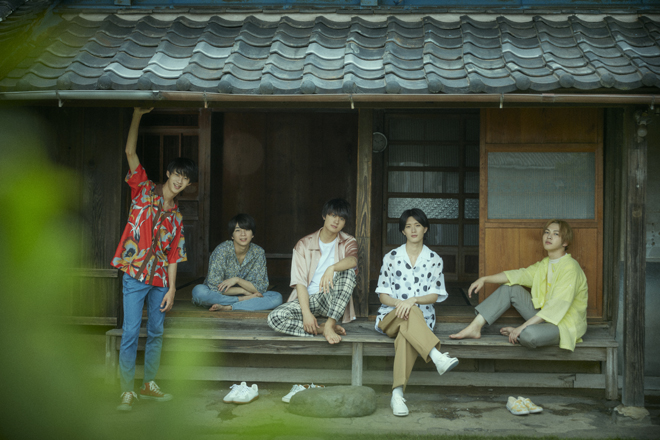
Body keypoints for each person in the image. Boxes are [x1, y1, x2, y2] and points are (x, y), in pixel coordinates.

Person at [111, 107, 198, 411]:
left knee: (157, 332)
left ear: (188, 185)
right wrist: (137, 114)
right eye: (178, 174)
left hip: (160, 280)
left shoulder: (177, 216)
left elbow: (174, 255)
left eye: (186, 179)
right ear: (169, 173)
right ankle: (126, 390)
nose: (180, 180)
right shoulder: (143, 190)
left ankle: (148, 384)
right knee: (131, 332)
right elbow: (129, 151)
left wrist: (172, 289)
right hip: (135, 274)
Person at [449, 219, 588, 353]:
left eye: (556, 234)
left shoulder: (570, 268)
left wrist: (521, 328)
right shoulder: (544, 264)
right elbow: (518, 275)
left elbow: (554, 308)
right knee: (510, 288)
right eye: (547, 232)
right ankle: (475, 327)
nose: (549, 236)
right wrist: (484, 279)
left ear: (565, 242)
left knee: (529, 335)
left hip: (563, 325)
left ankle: (523, 332)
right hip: (545, 319)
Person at [375, 209, 458, 417]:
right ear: (403, 231)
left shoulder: (434, 259)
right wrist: (401, 303)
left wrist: (413, 300)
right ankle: (435, 355)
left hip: (421, 322)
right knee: (407, 313)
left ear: (425, 229)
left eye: (418, 225)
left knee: (406, 335)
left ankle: (397, 395)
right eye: (408, 226)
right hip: (390, 317)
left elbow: (435, 295)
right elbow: (383, 295)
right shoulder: (391, 257)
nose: (413, 230)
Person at [267, 198, 357, 345]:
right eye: (333, 215)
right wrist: (306, 313)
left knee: (348, 272)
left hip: (332, 299)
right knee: (275, 318)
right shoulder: (303, 244)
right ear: (324, 216)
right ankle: (322, 329)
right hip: (308, 299)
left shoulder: (348, 241)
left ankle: (330, 324)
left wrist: (331, 268)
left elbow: (352, 261)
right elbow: (300, 282)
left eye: (341, 218)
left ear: (345, 223)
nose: (336, 221)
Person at [191, 213, 282, 312]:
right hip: (223, 295)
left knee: (277, 297)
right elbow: (214, 287)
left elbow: (260, 288)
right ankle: (241, 301)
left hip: (247, 295)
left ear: (252, 234)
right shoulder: (222, 250)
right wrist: (243, 293)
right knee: (199, 292)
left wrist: (237, 280)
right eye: (238, 230)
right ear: (232, 235)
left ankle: (229, 307)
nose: (243, 234)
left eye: (247, 230)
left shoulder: (258, 252)